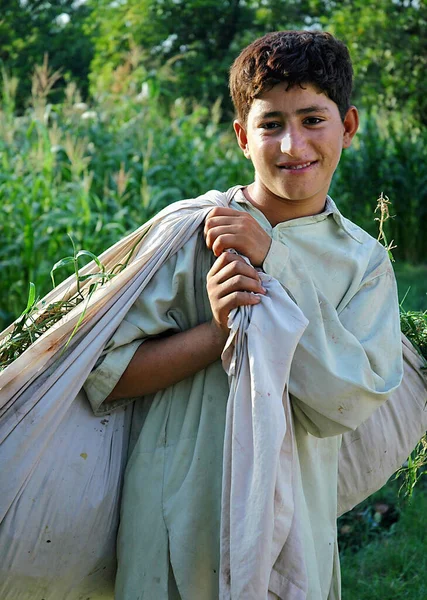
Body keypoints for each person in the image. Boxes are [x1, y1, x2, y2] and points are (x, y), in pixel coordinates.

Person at [84, 30, 403, 599]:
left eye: (312, 120)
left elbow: (349, 399)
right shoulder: (193, 235)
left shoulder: (363, 262)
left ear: (347, 127)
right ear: (242, 136)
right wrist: (215, 334)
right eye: (271, 124)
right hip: (174, 506)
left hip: (293, 513)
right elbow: (107, 378)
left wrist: (273, 259)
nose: (292, 146)